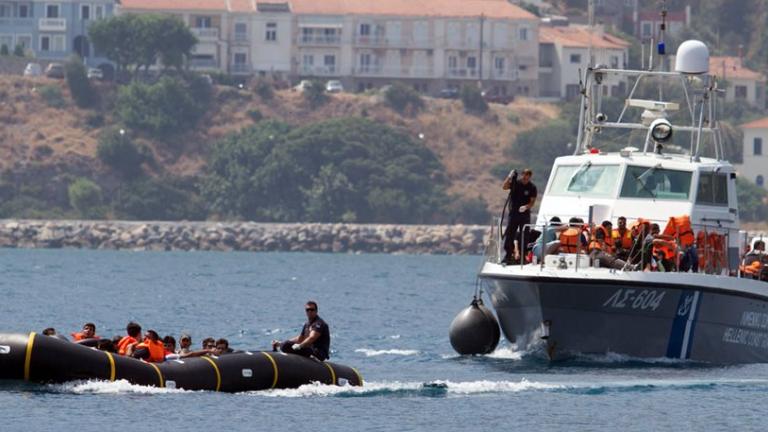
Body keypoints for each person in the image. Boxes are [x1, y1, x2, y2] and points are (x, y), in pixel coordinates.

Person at [501, 168, 537, 264]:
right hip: (514, 213)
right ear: (522, 175)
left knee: (524, 234)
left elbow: (532, 202)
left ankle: (523, 255)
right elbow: (504, 187)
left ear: (530, 176)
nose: (525, 176)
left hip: (524, 214)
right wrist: (509, 177)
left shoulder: (532, 187)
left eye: (527, 175)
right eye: (524, 174)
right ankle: (508, 255)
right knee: (510, 234)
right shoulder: (515, 183)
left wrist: (526, 207)